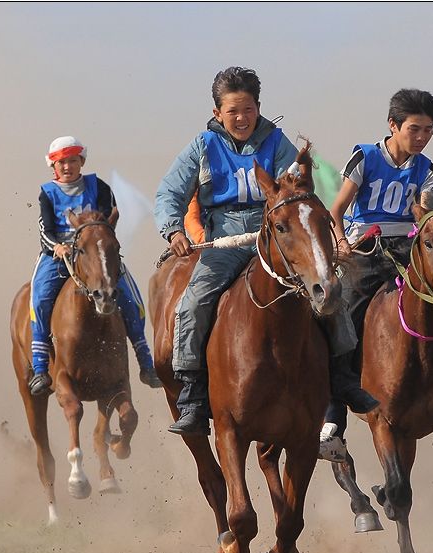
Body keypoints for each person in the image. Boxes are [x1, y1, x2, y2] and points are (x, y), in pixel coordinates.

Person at [154, 66, 378, 437]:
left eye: (248, 109)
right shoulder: (202, 146)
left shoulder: (276, 140)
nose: (241, 118)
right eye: (232, 111)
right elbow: (169, 193)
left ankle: (343, 379)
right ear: (217, 114)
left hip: (276, 234)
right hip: (223, 237)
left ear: (258, 108)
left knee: (326, 284)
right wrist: (173, 229)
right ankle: (193, 394)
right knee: (194, 301)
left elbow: (295, 185)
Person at [320, 88, 433, 456]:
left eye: (428, 131)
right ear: (393, 125)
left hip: (406, 251)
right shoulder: (366, 157)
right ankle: (333, 418)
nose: (421, 137)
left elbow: (426, 216)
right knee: (342, 314)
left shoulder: (426, 170)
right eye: (415, 129)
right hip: (364, 250)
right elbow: (336, 209)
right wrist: (340, 242)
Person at [28, 135, 162, 396]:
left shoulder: (98, 187)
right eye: (62, 162)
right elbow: (44, 229)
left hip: (95, 254)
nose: (68, 167)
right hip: (59, 255)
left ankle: (146, 362)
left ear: (82, 161)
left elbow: (109, 222)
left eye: (73, 161)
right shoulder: (47, 193)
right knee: (40, 297)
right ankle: (40, 368)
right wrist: (57, 246)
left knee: (130, 296)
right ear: (53, 165)